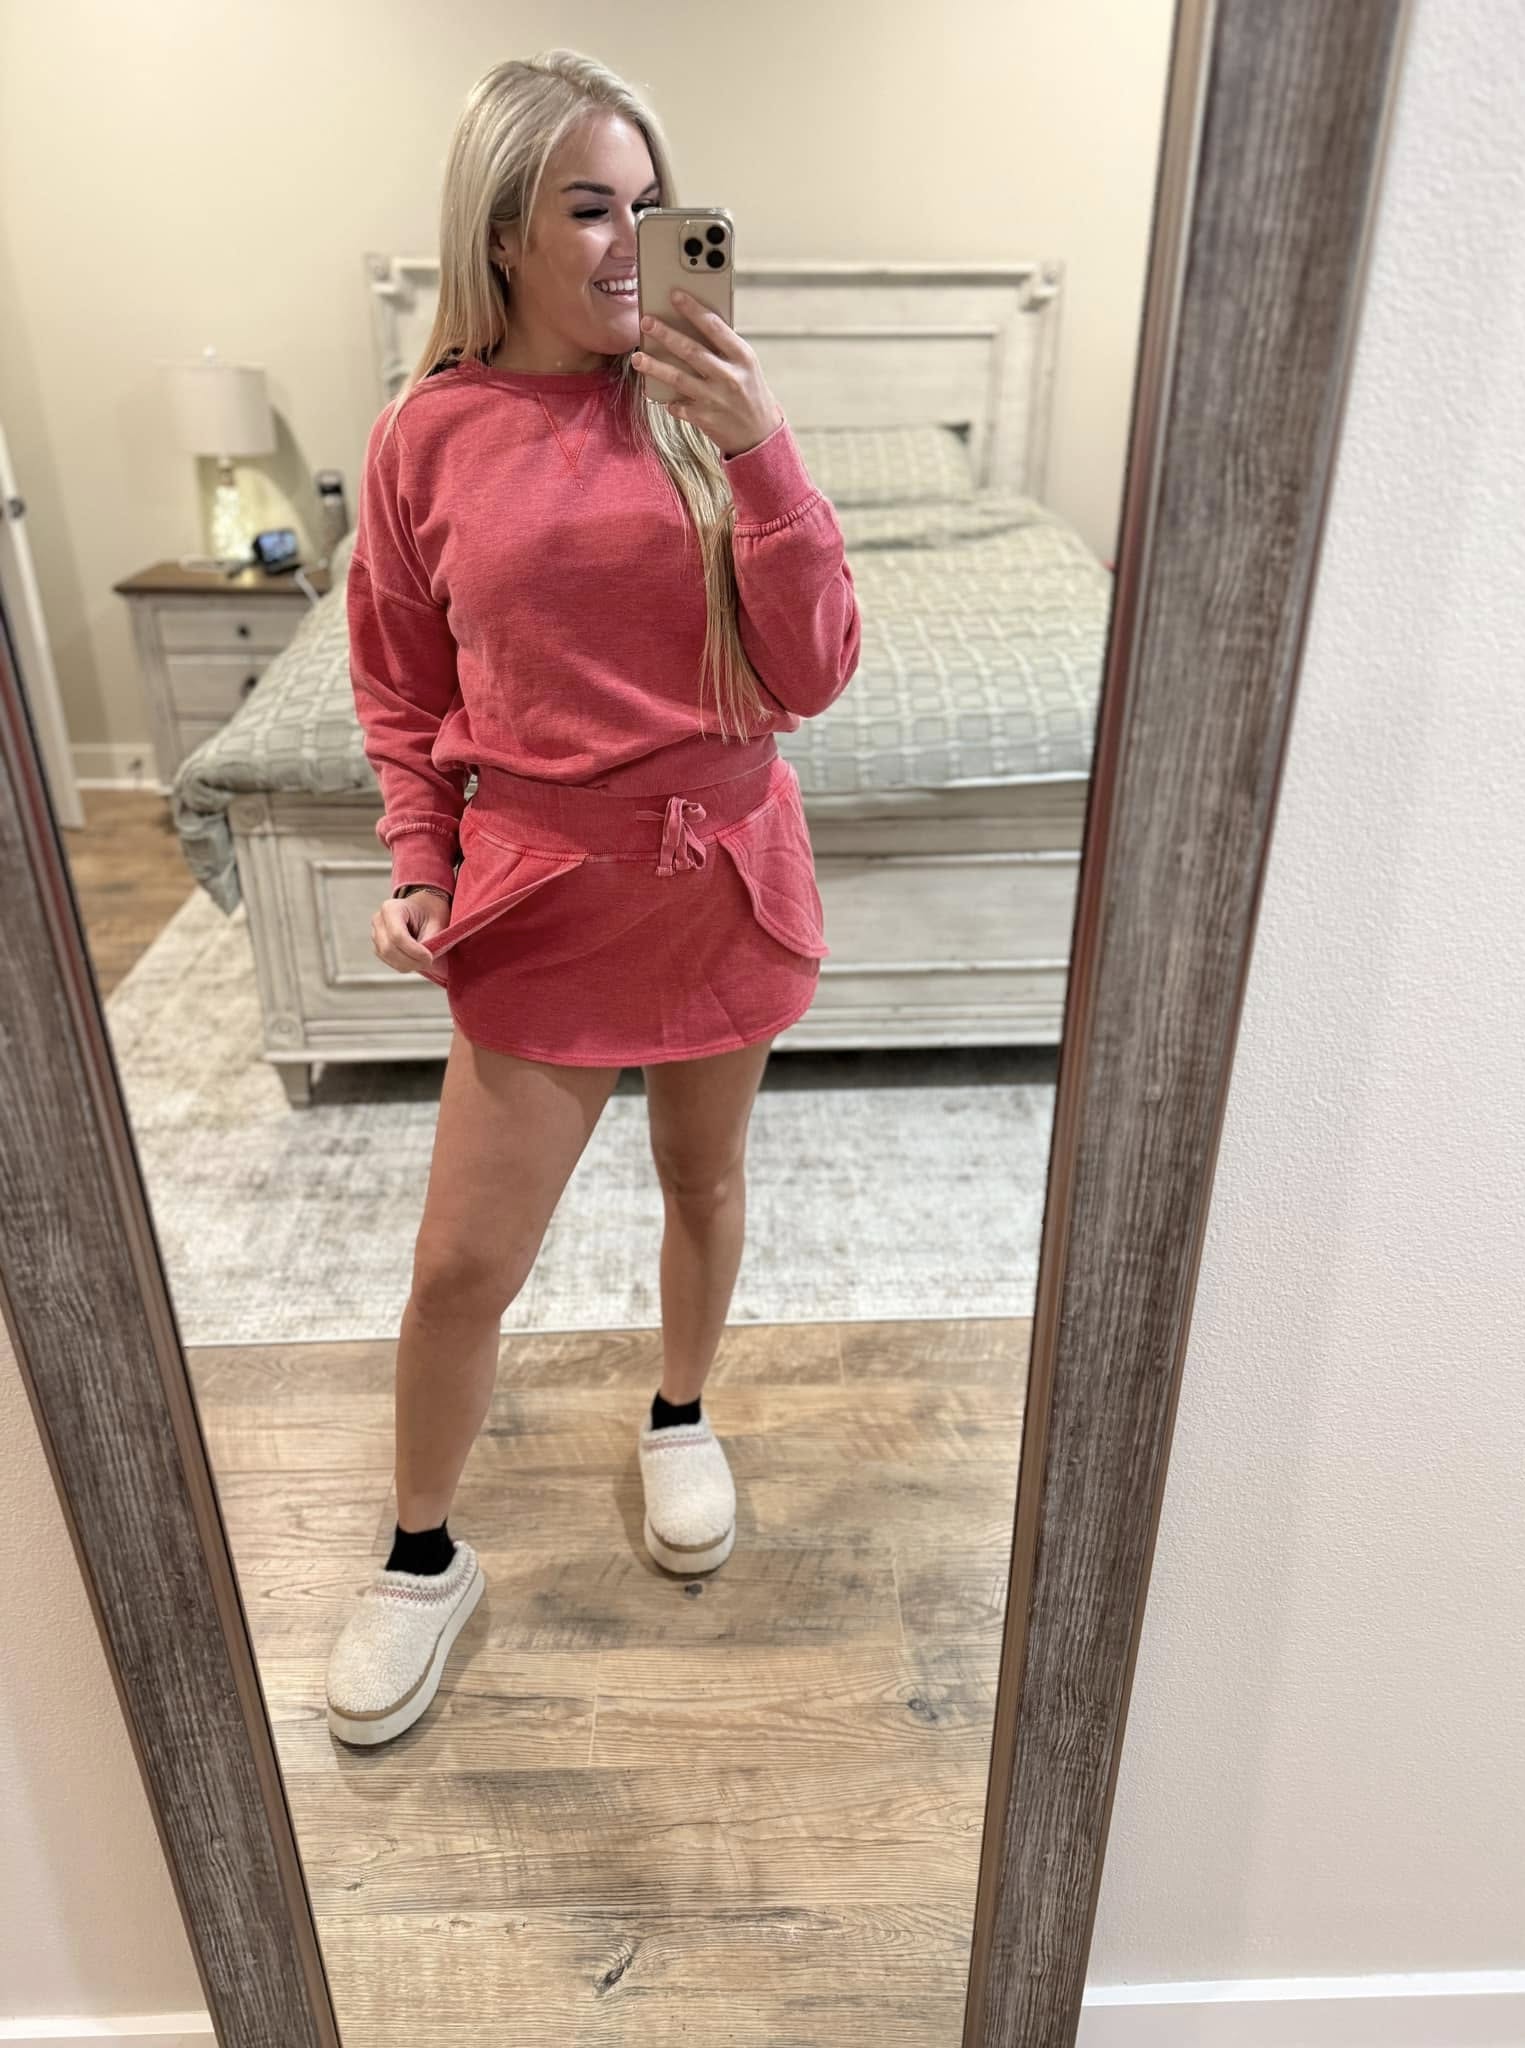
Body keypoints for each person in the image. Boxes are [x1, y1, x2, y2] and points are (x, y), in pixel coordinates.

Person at [324, 50, 861, 1747]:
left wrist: (759, 452)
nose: (631, 241)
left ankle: (681, 1412)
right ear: (500, 234)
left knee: (703, 1176)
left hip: (724, 873)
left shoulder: (710, 410)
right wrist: (422, 861)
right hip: (544, 893)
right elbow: (400, 689)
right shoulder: (424, 438)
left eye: (651, 205)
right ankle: (422, 1555)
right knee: (461, 1265)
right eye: (587, 208)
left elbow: (817, 669)